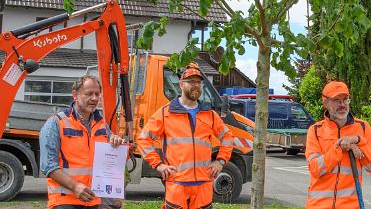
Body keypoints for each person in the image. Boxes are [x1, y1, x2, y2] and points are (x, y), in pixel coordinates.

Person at [136, 63, 234, 209]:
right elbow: (143, 139)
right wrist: (159, 165)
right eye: (191, 82)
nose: (196, 86)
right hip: (177, 185)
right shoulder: (165, 113)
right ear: (181, 85)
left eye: (199, 83)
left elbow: (227, 137)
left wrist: (220, 161)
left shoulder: (210, 115)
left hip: (203, 187)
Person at [40, 75, 126, 209]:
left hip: (94, 199)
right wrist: (75, 187)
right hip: (65, 200)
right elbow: (49, 166)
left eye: (97, 94)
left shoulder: (102, 124)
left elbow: (110, 159)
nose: (94, 98)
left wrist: (116, 141)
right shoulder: (56, 123)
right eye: (89, 94)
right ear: (75, 95)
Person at [305, 81, 371, 208]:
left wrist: (358, 140)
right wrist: (340, 146)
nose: (342, 105)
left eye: (345, 99)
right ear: (326, 103)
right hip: (318, 206)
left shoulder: (363, 128)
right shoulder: (315, 130)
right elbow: (315, 169)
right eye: (336, 100)